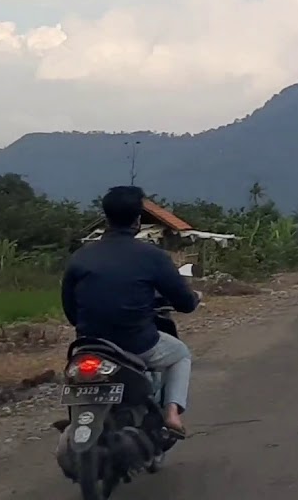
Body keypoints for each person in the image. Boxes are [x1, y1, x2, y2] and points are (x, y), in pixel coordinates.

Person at [61, 186, 201, 436]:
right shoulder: (152, 256)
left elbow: (70, 309)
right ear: (138, 220)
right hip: (137, 344)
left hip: (89, 344)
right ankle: (171, 414)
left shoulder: (81, 257)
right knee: (180, 355)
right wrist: (193, 298)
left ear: (106, 218)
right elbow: (185, 303)